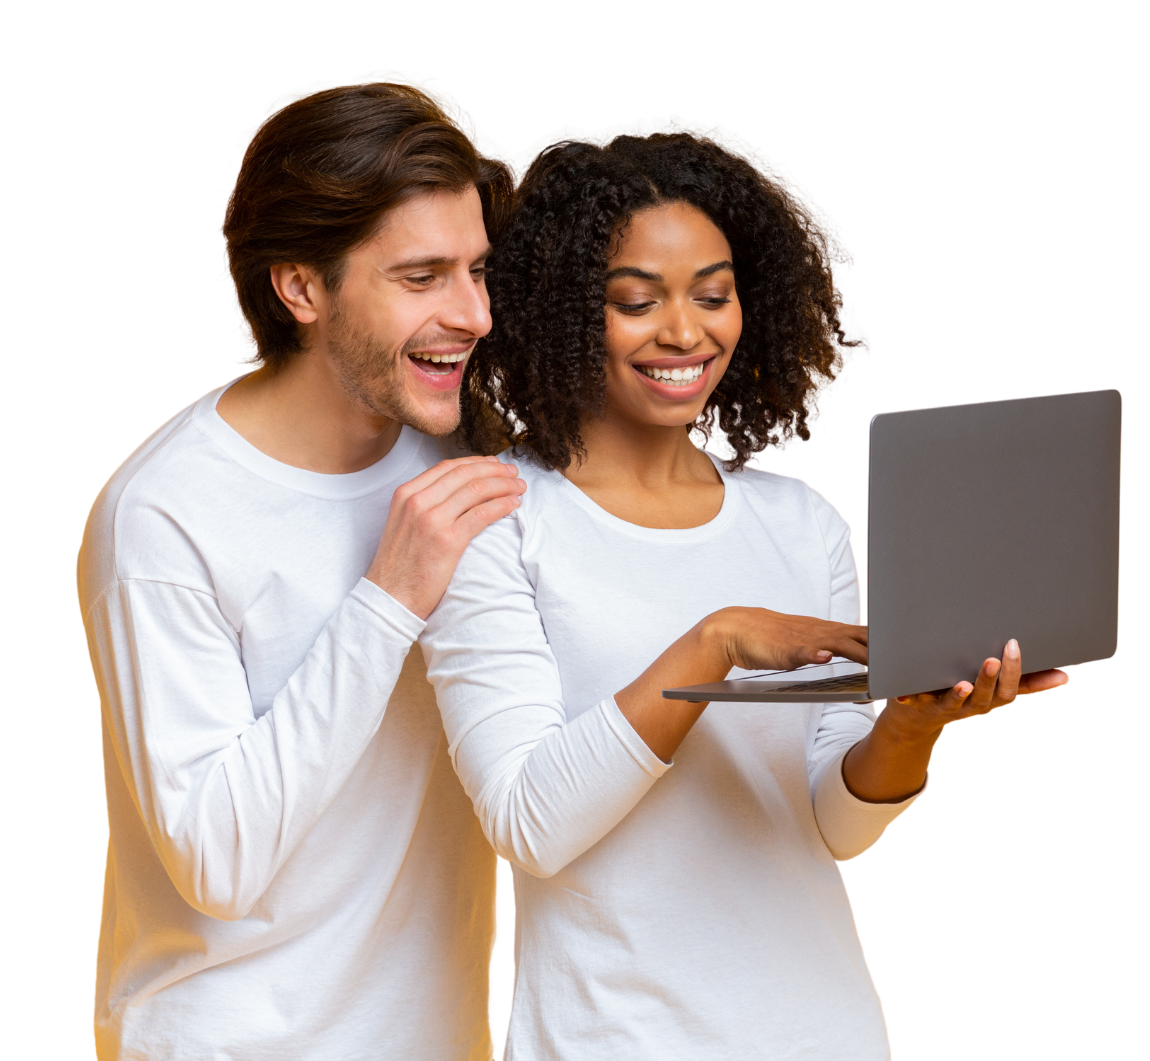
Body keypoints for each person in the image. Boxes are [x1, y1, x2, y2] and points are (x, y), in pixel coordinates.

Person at [423, 120, 1069, 1059]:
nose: (685, 332)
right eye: (636, 302)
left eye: (713, 296)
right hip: (617, 1038)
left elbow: (830, 828)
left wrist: (910, 723)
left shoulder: (797, 522)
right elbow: (533, 824)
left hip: (825, 1033)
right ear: (563, 311)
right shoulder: (501, 524)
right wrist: (714, 641)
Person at [77, 74, 527, 1061]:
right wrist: (388, 598)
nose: (474, 314)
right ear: (301, 287)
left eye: (476, 270)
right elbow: (215, 860)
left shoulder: (466, 452)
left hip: (439, 1038)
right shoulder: (163, 513)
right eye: (421, 278)